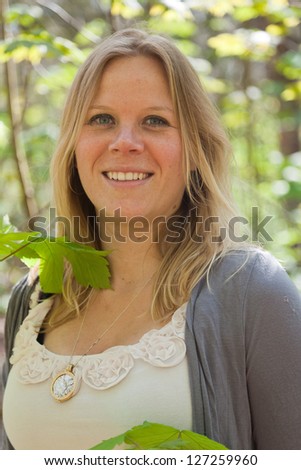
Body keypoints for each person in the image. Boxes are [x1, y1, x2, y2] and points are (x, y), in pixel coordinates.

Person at [2, 28, 301, 450]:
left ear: (196, 149)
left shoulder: (251, 291)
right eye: (101, 119)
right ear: (73, 145)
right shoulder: (36, 297)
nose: (125, 143)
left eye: (155, 121)